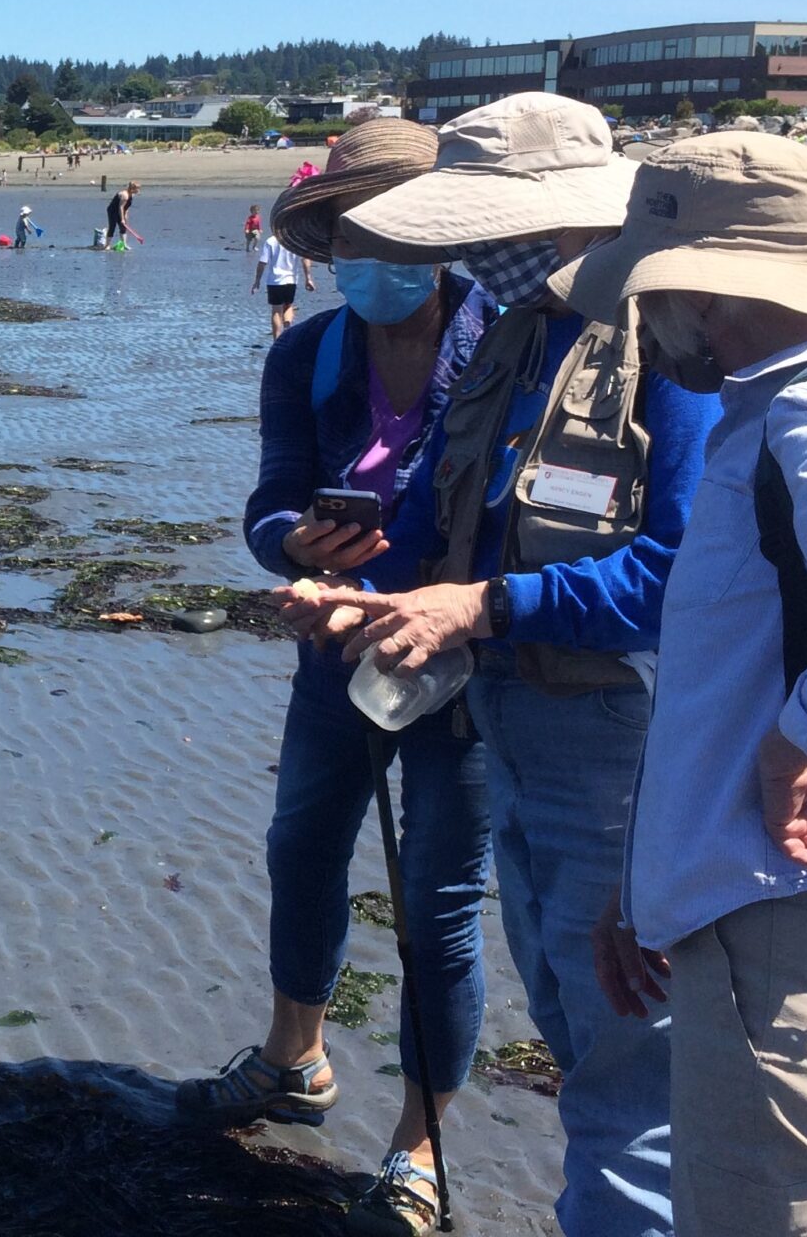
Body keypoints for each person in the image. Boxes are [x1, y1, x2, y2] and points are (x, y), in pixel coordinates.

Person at [286, 92, 724, 1237]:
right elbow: (465, 523)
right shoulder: (530, 331)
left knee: (629, 1069)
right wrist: (373, 600)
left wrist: (481, 604)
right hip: (507, 715)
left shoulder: (666, 346)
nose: (461, 252)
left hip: (617, 739)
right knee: (585, 1042)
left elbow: (679, 576)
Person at [554, 133, 807, 1237]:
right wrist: (650, 884)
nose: (651, 320)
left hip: (799, 931)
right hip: (780, 918)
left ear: (706, 284)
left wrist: (805, 752)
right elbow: (731, 678)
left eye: (657, 292)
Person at [186, 119, 494, 1237]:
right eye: (352, 234)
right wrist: (291, 550)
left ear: (445, 235)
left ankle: (417, 1144)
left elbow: (537, 519)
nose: (371, 254)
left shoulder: (509, 346)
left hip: (464, 669)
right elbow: (271, 499)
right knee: (300, 849)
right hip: (334, 658)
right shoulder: (304, 352)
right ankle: (293, 1057)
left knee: (439, 904)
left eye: (394, 231)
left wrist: (464, 598)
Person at [253, 231, 315, 340]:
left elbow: (263, 262)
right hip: (291, 280)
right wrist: (308, 278)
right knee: (289, 305)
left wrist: (257, 281)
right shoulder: (296, 241)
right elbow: (305, 259)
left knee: (276, 310)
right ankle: (287, 328)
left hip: (275, 280)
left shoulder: (271, 241)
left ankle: (277, 339)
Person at [105, 181, 142, 250]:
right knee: (112, 226)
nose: (138, 190)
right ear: (132, 188)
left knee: (123, 228)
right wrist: (122, 219)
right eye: (137, 189)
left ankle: (124, 244)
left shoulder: (131, 195)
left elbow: (126, 207)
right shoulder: (125, 195)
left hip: (121, 211)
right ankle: (107, 245)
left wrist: (125, 217)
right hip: (113, 211)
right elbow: (121, 207)